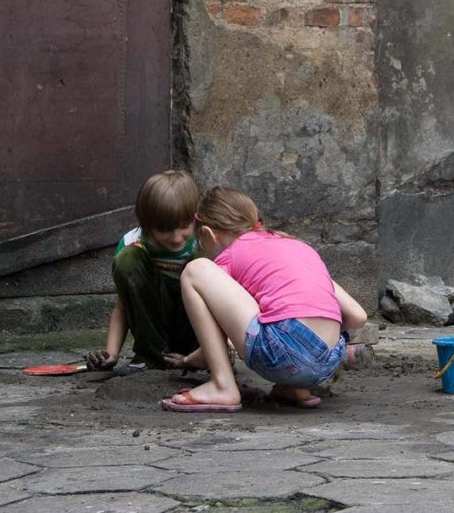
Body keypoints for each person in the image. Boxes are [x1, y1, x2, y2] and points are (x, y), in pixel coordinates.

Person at [160, 186, 368, 413]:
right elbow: (358, 316)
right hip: (329, 360)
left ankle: (222, 386)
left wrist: (191, 360)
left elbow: (223, 333)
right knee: (277, 312)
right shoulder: (297, 246)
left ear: (209, 234)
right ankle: (295, 388)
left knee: (195, 270)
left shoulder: (231, 254)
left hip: (285, 352)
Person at [85, 170, 200, 372]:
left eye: (184, 226)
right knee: (128, 259)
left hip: (194, 333)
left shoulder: (202, 242)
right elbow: (122, 308)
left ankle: (202, 355)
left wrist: (226, 348)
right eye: (164, 229)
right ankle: (153, 358)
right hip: (154, 328)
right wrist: (111, 354)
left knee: (205, 263)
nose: (176, 237)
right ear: (146, 223)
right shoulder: (133, 243)